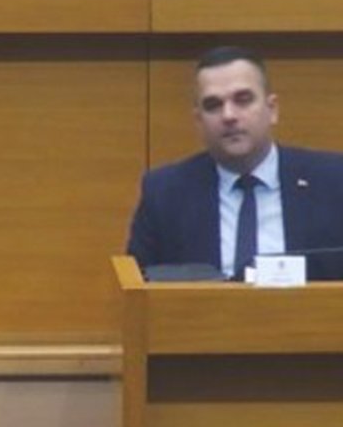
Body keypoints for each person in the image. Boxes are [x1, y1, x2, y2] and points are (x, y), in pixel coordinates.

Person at [128, 46, 343, 280]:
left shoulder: (333, 181)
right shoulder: (166, 193)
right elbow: (137, 286)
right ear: (199, 121)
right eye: (213, 105)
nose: (228, 115)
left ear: (272, 110)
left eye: (243, 100)